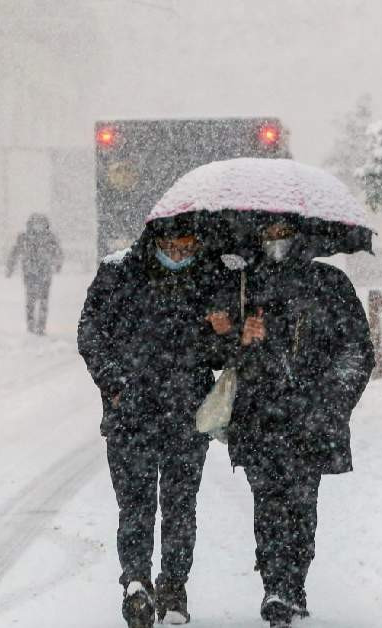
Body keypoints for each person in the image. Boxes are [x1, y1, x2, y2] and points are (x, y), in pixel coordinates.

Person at [207, 218, 375, 628]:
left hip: (309, 417)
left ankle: (294, 582)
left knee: (301, 504)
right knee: (268, 502)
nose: (275, 241)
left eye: (283, 233)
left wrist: (330, 403)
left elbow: (357, 351)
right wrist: (238, 336)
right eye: (268, 233)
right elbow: (213, 352)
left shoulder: (329, 284)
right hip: (259, 417)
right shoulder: (242, 286)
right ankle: (275, 586)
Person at [78, 215, 223, 627]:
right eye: (174, 247)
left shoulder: (207, 276)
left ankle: (174, 584)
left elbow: (217, 355)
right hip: (131, 416)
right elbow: (90, 332)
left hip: (186, 414)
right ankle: (136, 584)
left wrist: (220, 332)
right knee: (136, 505)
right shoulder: (118, 273)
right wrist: (116, 384)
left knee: (180, 506)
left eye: (189, 248)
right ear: (156, 240)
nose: (182, 255)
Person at [6, 213, 64, 335]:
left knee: (43, 300)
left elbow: (58, 252)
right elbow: (15, 252)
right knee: (31, 300)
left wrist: (58, 264)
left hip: (44, 273)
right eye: (36, 223)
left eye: (40, 223)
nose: (38, 226)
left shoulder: (49, 238)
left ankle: (40, 326)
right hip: (30, 273)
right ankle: (32, 325)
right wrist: (10, 267)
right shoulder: (25, 237)